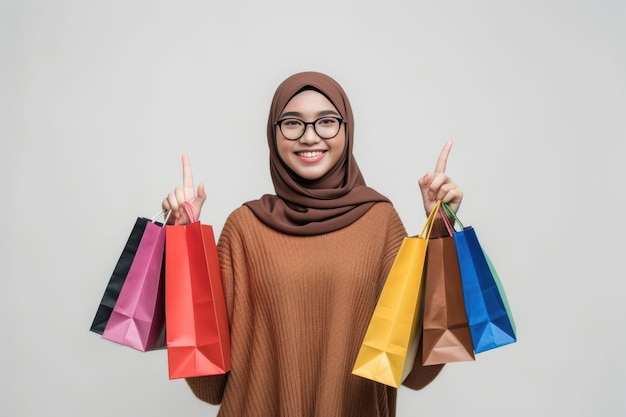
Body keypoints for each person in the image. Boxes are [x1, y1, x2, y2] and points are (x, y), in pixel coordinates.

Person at [162, 71, 463, 417]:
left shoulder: (381, 224)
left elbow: (416, 374)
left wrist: (441, 233)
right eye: (292, 123)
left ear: (347, 130)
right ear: (273, 135)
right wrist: (184, 243)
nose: (309, 137)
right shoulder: (243, 229)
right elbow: (209, 386)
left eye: (326, 122)